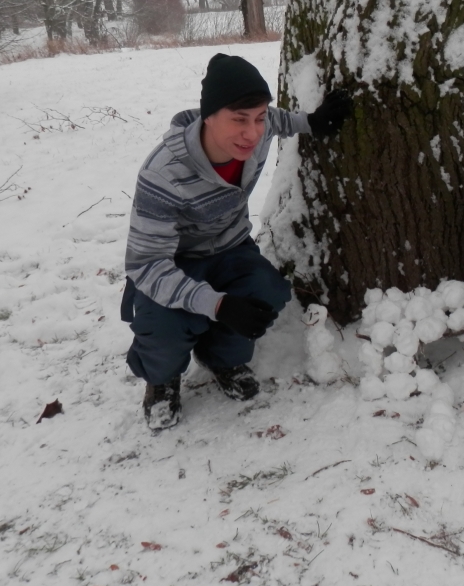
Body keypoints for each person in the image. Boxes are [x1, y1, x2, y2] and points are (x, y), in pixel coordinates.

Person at [122, 53, 350, 429]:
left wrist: (310, 122)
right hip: (172, 263)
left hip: (230, 249)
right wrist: (217, 304)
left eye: (258, 118)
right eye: (239, 119)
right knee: (164, 327)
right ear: (208, 116)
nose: (252, 133)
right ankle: (161, 380)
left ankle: (222, 359)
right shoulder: (163, 174)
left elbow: (275, 120)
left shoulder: (257, 132)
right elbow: (146, 265)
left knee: (266, 294)